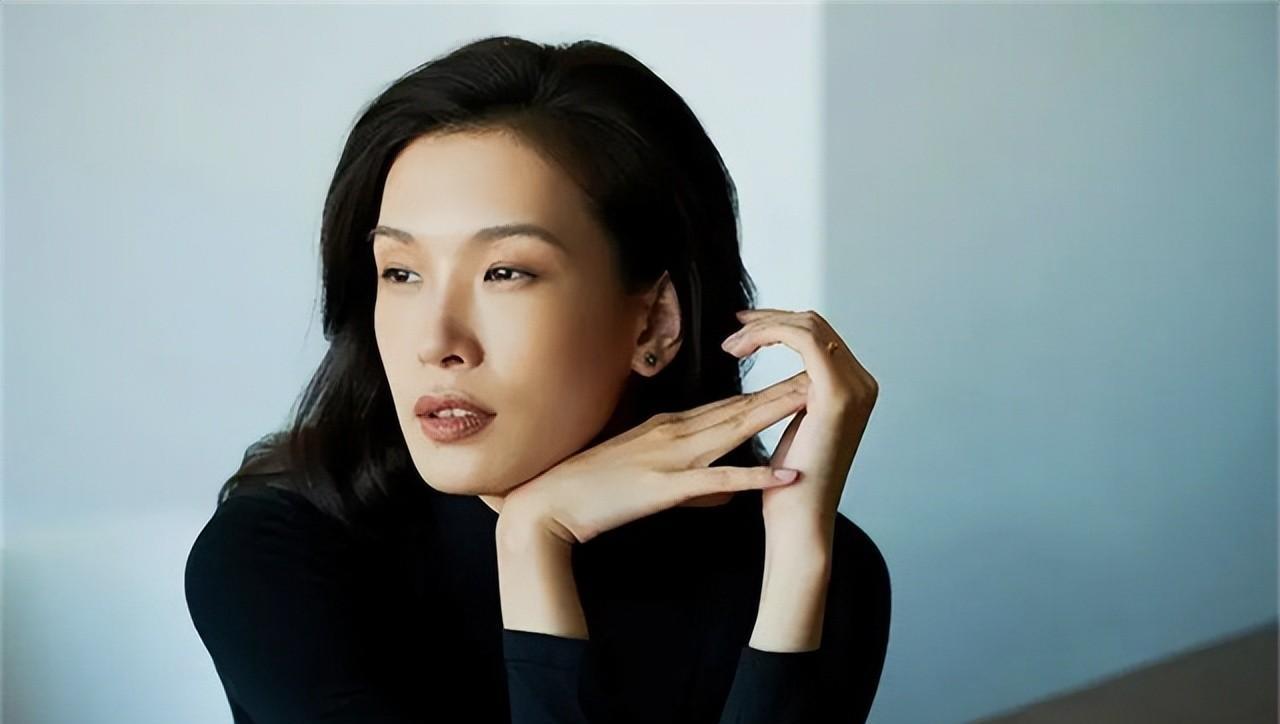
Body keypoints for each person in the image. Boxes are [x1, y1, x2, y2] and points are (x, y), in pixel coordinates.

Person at [184, 34, 891, 724]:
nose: (437, 343)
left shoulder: (811, 563)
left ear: (653, 323)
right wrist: (533, 545)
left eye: (504, 272)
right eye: (401, 273)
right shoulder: (279, 554)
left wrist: (798, 570)